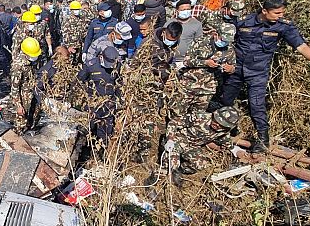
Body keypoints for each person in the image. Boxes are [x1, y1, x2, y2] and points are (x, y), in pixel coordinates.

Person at [215, 0, 310, 152]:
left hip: (258, 73)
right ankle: (225, 131)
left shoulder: (283, 26)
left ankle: (263, 140)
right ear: (264, 11)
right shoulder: (243, 21)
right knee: (225, 100)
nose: (280, 16)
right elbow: (225, 39)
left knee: (256, 105)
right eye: (277, 13)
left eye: (282, 12)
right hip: (235, 70)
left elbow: (301, 45)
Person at [127, 21, 183, 163]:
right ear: (164, 33)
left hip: (158, 88)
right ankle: (131, 145)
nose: (170, 43)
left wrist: (170, 75)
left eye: (173, 41)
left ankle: (143, 151)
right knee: (137, 117)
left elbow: (168, 61)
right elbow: (136, 65)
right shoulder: (149, 44)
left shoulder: (173, 43)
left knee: (150, 118)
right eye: (169, 39)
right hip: (143, 86)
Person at [169, 13, 236, 118]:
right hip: (189, 84)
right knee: (177, 113)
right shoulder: (200, 42)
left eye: (227, 41)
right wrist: (205, 63)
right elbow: (187, 61)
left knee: (198, 117)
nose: (224, 43)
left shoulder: (229, 49)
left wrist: (231, 69)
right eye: (223, 40)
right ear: (216, 34)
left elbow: (232, 66)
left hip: (208, 89)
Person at [165, 107, 240, 184]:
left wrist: (234, 149)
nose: (217, 125)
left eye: (221, 125)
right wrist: (170, 139)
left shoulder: (223, 131)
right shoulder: (200, 117)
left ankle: (179, 170)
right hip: (178, 139)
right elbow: (174, 122)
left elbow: (226, 140)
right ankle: (168, 172)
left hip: (193, 146)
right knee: (172, 164)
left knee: (201, 165)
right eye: (216, 120)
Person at [78, 45, 121, 148]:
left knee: (105, 135)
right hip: (92, 105)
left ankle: (102, 155)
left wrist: (119, 101)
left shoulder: (117, 65)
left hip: (108, 106)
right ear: (101, 57)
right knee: (86, 132)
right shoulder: (90, 65)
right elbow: (79, 82)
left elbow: (119, 83)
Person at [9, 37, 43, 133]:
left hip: (30, 92)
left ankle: (29, 127)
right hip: (22, 96)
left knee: (32, 114)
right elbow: (14, 89)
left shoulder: (29, 61)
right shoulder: (18, 66)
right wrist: (19, 105)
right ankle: (19, 135)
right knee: (21, 120)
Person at [167, 0, 203, 68]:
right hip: (170, 59)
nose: (186, 11)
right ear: (177, 11)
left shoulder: (197, 24)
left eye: (188, 9)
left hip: (186, 60)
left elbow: (199, 43)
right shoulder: (169, 23)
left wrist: (191, 56)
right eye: (183, 10)